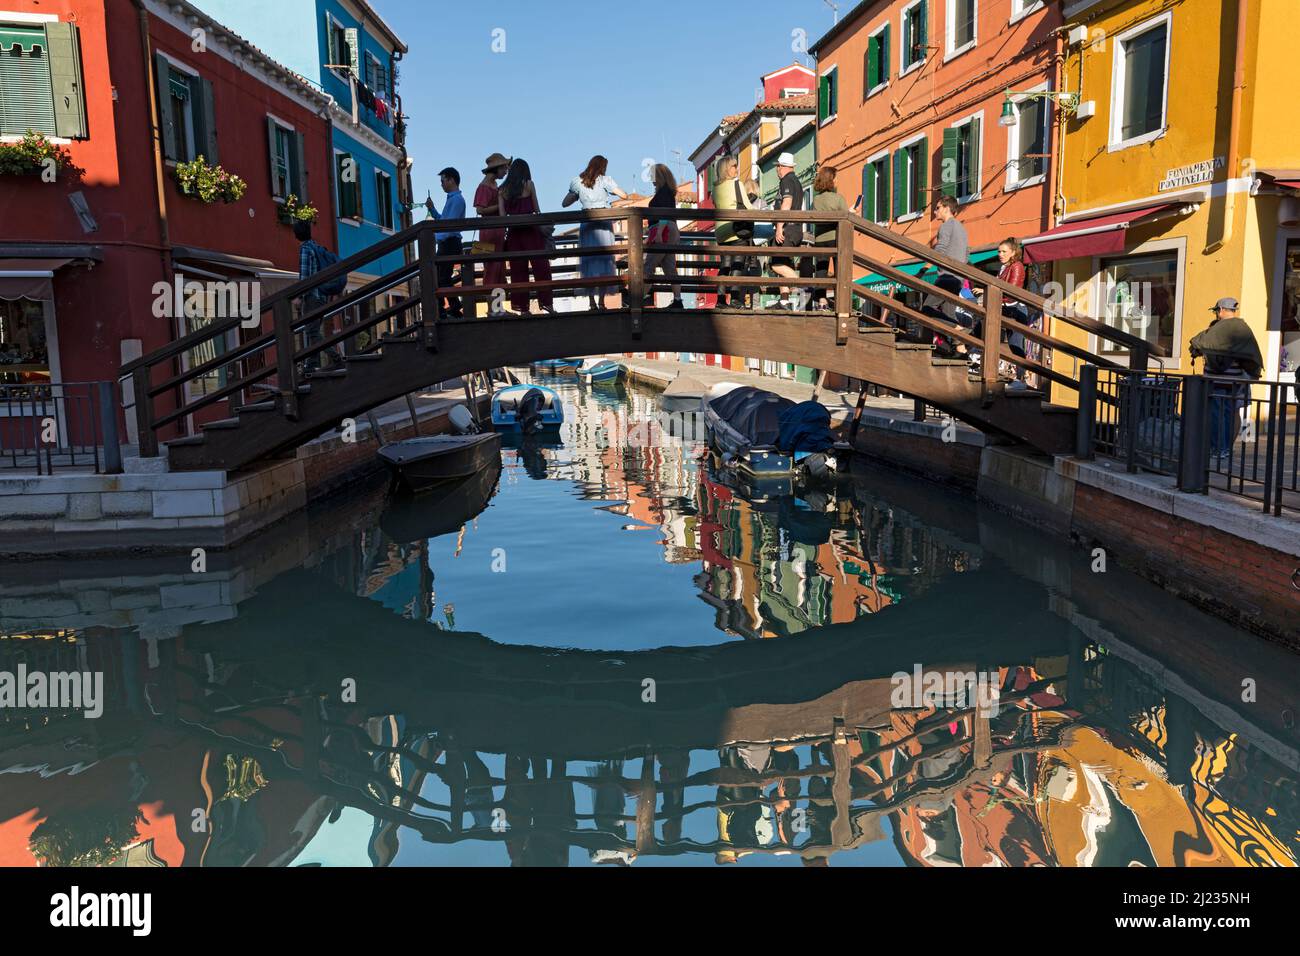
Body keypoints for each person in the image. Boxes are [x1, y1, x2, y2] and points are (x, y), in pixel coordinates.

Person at [1189, 297, 1264, 463]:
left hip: (1217, 381)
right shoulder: (1243, 328)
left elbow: (1198, 343)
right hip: (1235, 382)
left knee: (1216, 415)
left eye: (1217, 310)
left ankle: (1218, 448)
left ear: (1222, 309)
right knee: (1229, 415)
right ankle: (1225, 449)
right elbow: (1251, 355)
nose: (1217, 313)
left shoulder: (1217, 329)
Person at [562, 155, 628, 310]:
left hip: (587, 223)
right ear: (602, 167)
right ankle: (601, 302)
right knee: (605, 261)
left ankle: (591, 302)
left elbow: (565, 203)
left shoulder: (578, 181)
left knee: (589, 262)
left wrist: (579, 196)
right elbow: (624, 195)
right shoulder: (605, 180)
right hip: (604, 224)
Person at [500, 158, 554, 314]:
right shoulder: (529, 184)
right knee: (541, 268)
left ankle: (522, 308)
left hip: (514, 234)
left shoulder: (502, 190)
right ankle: (546, 304)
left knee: (518, 271)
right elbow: (537, 210)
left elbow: (502, 218)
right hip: (532, 231)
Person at [294, 219, 344, 374]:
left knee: (312, 332)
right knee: (314, 330)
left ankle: (336, 358)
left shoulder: (305, 249)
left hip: (312, 297)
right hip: (322, 296)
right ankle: (312, 362)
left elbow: (305, 277)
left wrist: (299, 297)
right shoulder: (317, 247)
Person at [809, 164, 860, 310]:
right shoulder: (838, 199)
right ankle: (840, 302)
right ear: (831, 180)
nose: (837, 181)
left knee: (821, 271)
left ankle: (822, 302)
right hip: (836, 239)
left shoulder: (816, 200)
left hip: (820, 240)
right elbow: (846, 217)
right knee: (840, 270)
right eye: (835, 178)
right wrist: (853, 211)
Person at [924, 195, 969, 356]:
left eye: (937, 208)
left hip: (946, 276)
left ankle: (959, 331)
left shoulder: (946, 226)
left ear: (946, 208)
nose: (935, 211)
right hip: (958, 278)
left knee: (927, 309)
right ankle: (960, 348)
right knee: (949, 314)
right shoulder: (961, 229)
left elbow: (940, 250)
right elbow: (967, 255)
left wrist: (930, 264)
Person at [710, 155, 754, 308]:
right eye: (734, 166)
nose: (737, 169)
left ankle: (720, 300)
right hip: (736, 230)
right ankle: (735, 299)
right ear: (726, 169)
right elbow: (748, 207)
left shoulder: (715, 188)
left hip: (721, 231)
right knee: (738, 265)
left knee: (724, 266)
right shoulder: (737, 185)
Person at [424, 167, 467, 318]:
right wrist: (433, 210)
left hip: (449, 242)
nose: (441, 184)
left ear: (451, 180)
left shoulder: (456, 200)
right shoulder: (454, 199)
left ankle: (448, 309)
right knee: (441, 277)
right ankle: (451, 308)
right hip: (449, 241)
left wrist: (436, 238)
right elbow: (445, 221)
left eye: (443, 181)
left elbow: (449, 226)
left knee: (440, 277)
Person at [473, 152, 512, 312]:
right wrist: (501, 204)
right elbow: (480, 209)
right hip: (489, 233)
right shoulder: (484, 187)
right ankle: (493, 308)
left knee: (499, 270)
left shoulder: (494, 186)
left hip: (495, 232)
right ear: (497, 169)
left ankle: (498, 307)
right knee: (492, 270)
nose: (505, 171)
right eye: (504, 168)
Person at [643, 164, 684, 309]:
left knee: (649, 265)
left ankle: (639, 298)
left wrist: (658, 233)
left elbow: (663, 214)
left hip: (663, 229)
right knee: (670, 267)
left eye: (652, 177)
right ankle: (678, 300)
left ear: (658, 177)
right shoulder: (668, 192)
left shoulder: (663, 193)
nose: (651, 180)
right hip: (669, 229)